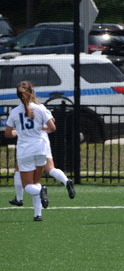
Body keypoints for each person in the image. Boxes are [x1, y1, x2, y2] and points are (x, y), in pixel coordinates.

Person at [3, 81, 56, 221]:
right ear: (32, 92)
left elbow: (7, 134)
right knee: (36, 180)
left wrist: (17, 132)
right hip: (40, 149)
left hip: (25, 151)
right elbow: (52, 128)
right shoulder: (40, 108)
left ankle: (40, 191)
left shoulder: (15, 112)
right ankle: (37, 215)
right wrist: (41, 129)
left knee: (27, 185)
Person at [9, 131, 76, 206]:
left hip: (31, 142)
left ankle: (19, 198)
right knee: (50, 169)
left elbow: (13, 132)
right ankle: (66, 181)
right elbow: (52, 126)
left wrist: (17, 131)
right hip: (43, 140)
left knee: (20, 169)